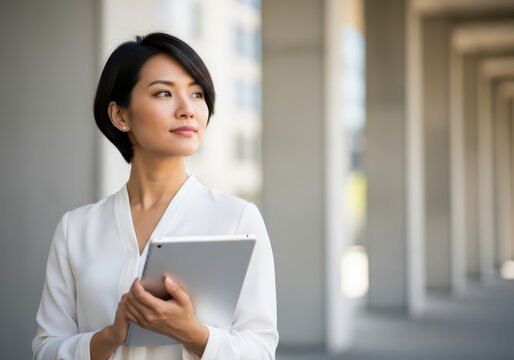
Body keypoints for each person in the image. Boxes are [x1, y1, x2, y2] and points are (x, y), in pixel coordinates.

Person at [32, 32, 278, 360]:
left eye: (197, 94)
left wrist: (192, 332)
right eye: (164, 92)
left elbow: (261, 351)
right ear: (120, 115)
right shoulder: (76, 229)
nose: (188, 109)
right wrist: (108, 338)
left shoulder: (238, 219)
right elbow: (45, 350)